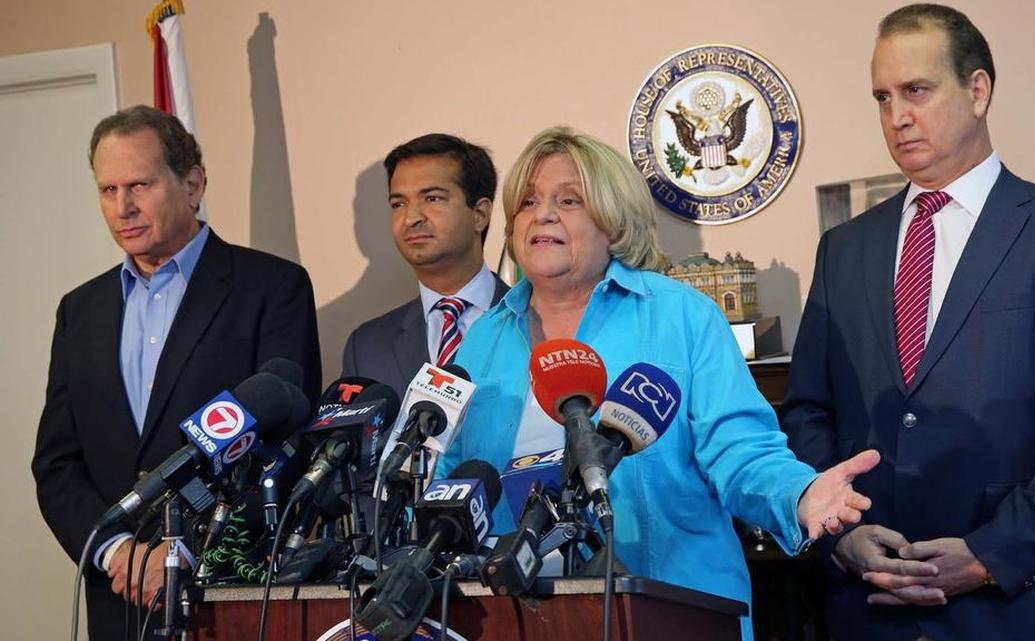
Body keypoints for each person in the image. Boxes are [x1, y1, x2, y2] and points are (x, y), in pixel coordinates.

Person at [436, 126, 880, 640]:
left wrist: (799, 495)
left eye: (569, 200)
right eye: (528, 201)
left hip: (671, 612)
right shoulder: (482, 341)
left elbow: (741, 451)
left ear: (614, 221)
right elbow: (451, 476)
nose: (544, 214)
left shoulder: (682, 317)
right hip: (515, 619)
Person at [781, 5, 1035, 641]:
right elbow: (808, 410)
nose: (896, 117)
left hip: (1023, 608)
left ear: (978, 90)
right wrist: (841, 533)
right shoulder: (844, 248)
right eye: (882, 97)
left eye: (916, 90)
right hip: (870, 608)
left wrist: (986, 556)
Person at [31, 105, 321, 641]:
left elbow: (288, 448)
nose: (123, 207)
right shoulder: (80, 309)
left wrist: (186, 548)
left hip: (225, 598)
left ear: (192, 184)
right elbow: (57, 463)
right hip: (118, 601)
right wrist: (117, 550)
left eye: (139, 184)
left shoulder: (272, 288)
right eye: (107, 189)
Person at [342, 134, 510, 390]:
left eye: (432, 198)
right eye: (398, 203)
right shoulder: (366, 346)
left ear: (480, 214)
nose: (411, 218)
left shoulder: (536, 322)